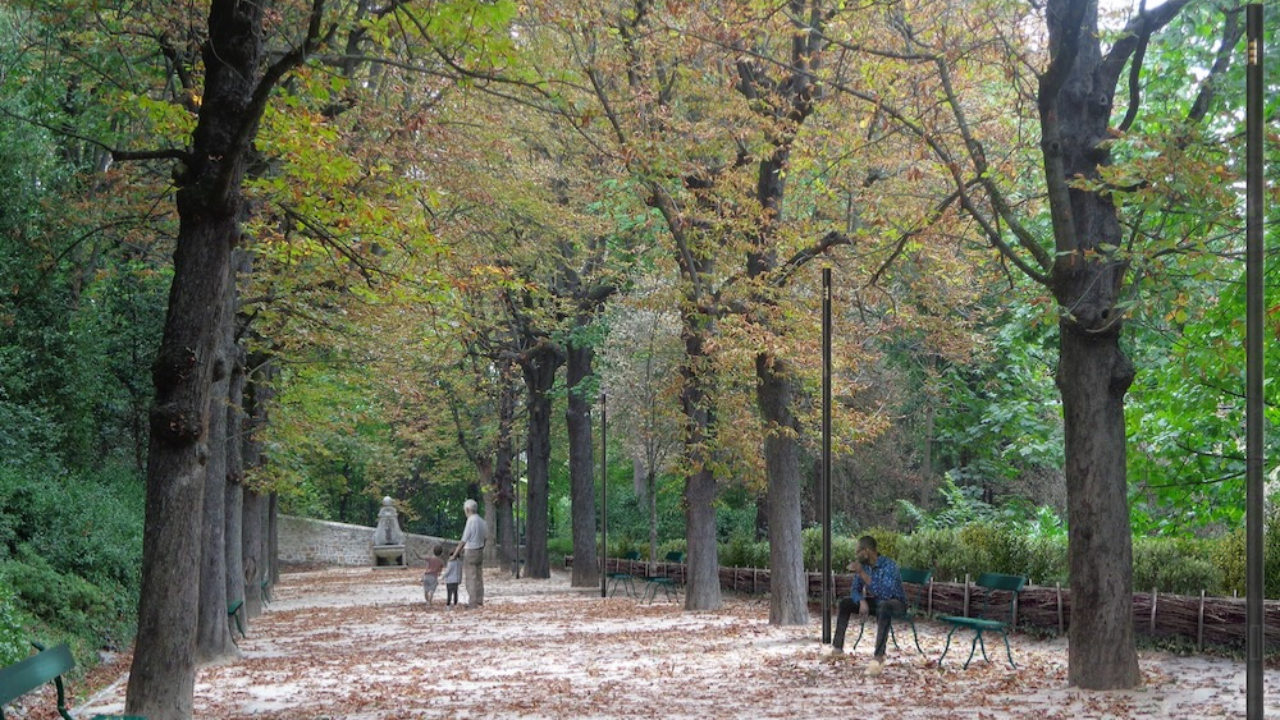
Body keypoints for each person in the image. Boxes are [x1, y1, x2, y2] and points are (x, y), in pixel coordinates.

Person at [830, 535, 907, 676]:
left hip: (896, 603)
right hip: (877, 602)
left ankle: (879, 657)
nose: (856, 555)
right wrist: (861, 600)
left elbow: (886, 593)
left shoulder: (888, 565)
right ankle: (837, 648)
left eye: (858, 551)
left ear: (866, 552)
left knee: (884, 605)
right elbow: (854, 589)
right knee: (845, 603)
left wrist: (861, 573)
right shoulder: (865, 567)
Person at [449, 498, 487, 608]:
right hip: (480, 550)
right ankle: (480, 600)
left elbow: (464, 540)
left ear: (467, 509)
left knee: (471, 577)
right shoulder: (482, 521)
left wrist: (455, 554)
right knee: (479, 576)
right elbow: (485, 538)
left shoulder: (471, 521)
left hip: (471, 550)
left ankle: (473, 602)